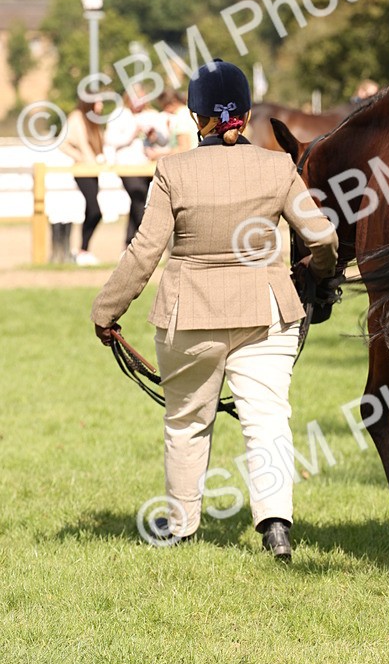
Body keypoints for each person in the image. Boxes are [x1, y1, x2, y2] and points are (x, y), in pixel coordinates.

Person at [91, 60, 339, 556]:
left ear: (193, 114)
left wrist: (106, 309)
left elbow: (144, 253)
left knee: (187, 421)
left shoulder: (172, 171)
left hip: (190, 316)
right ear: (245, 115)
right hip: (266, 313)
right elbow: (323, 235)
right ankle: (275, 526)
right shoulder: (276, 167)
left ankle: (181, 526)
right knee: (267, 418)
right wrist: (321, 268)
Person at [105, 88, 166, 245]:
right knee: (138, 198)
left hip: (146, 166)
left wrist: (154, 136)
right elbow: (110, 139)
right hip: (126, 166)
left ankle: (130, 243)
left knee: (141, 201)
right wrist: (132, 134)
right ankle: (144, 240)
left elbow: (164, 140)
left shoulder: (151, 114)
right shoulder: (119, 114)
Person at [62, 95, 106, 266]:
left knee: (91, 210)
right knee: (95, 210)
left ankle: (83, 251)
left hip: (93, 170)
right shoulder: (76, 118)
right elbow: (63, 143)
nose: (101, 105)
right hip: (82, 170)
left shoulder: (93, 121)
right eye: (98, 101)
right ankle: (82, 250)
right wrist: (80, 157)